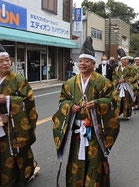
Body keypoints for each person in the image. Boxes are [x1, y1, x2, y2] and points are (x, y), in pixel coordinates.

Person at [52, 36, 119, 187]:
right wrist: (70, 107)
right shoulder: (70, 83)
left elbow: (113, 101)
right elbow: (62, 100)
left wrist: (97, 104)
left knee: (95, 158)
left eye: (86, 61)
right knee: (76, 158)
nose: (82, 64)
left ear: (94, 63)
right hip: (77, 127)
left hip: (95, 128)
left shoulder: (103, 81)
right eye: (80, 61)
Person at [0, 36, 40, 186]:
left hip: (14, 127)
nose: (6, 63)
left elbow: (29, 103)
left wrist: (8, 100)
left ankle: (15, 180)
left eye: (8, 60)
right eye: (1, 61)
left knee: (12, 155)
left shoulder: (19, 80)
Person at [112, 49, 136, 120]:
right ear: (121, 61)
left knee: (126, 101)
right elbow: (113, 77)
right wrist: (118, 81)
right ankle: (117, 114)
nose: (126, 61)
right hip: (119, 87)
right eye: (124, 60)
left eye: (127, 60)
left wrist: (125, 80)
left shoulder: (130, 69)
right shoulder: (116, 69)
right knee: (118, 101)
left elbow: (134, 77)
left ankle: (127, 114)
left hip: (127, 88)